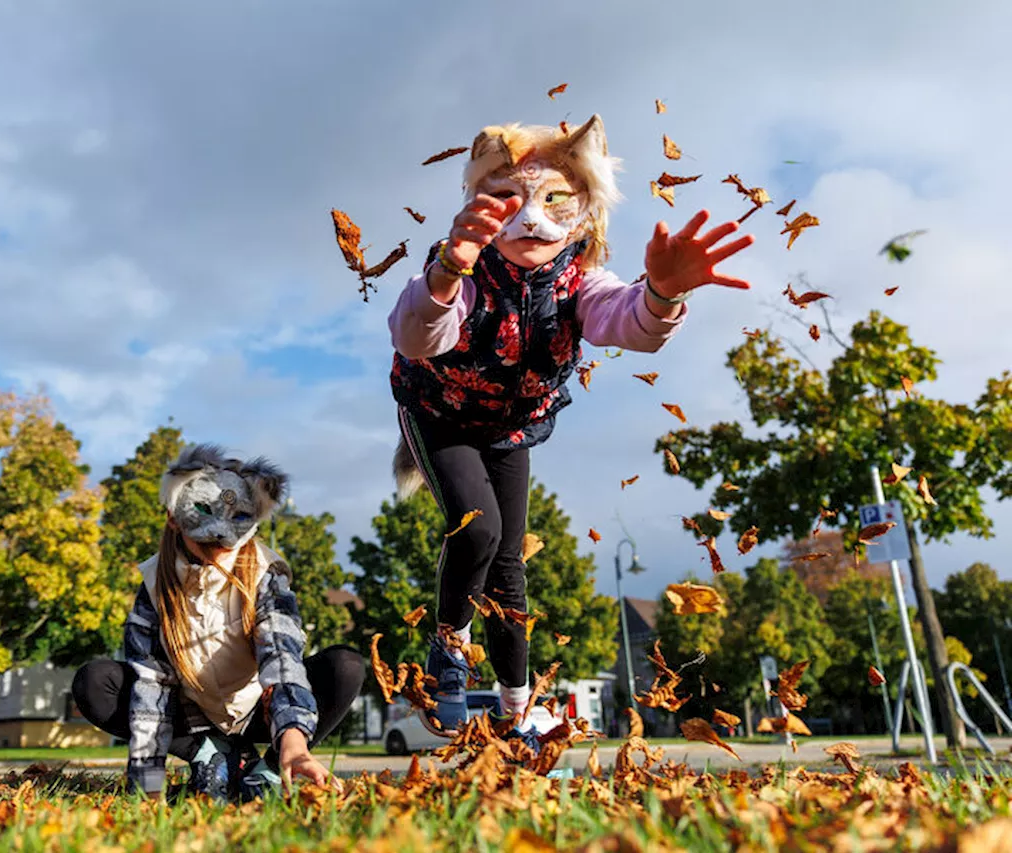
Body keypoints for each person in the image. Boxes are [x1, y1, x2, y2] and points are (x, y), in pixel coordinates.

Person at [387, 115, 754, 738]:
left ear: (584, 211)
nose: (530, 218)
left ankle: (514, 712)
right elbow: (419, 336)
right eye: (508, 199)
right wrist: (450, 269)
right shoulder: (463, 268)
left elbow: (627, 322)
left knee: (509, 567)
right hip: (440, 412)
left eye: (554, 200)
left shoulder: (580, 279)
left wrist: (663, 294)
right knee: (477, 533)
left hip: (510, 428)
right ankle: (449, 646)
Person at [71, 444, 365, 801]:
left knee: (345, 666)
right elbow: (152, 684)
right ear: (173, 518)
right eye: (205, 529)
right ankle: (208, 752)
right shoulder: (154, 584)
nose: (221, 540)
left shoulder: (266, 573)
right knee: (95, 681)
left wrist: (294, 742)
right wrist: (147, 784)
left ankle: (268, 770)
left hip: (258, 708)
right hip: (192, 713)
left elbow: (282, 660)